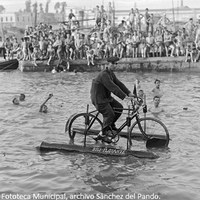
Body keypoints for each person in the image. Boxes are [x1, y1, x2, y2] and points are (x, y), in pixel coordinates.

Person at [90, 57, 135, 143]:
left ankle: (110, 127)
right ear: (108, 64)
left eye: (116, 64)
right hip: (99, 99)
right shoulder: (104, 75)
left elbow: (118, 84)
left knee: (119, 108)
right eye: (113, 64)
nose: (115, 65)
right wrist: (125, 97)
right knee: (110, 114)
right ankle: (102, 134)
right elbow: (113, 88)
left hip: (106, 98)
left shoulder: (110, 73)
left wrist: (129, 93)